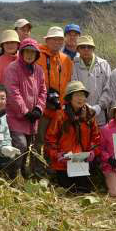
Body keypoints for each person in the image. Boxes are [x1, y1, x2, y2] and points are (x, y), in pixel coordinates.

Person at [45, 81, 100, 193]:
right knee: (68, 191)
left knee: (84, 190)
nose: (81, 98)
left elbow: (96, 138)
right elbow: (50, 140)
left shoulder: (90, 116)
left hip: (82, 163)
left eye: (83, 95)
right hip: (63, 164)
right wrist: (58, 155)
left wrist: (93, 152)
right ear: (70, 98)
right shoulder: (60, 116)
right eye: (77, 95)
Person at [4, 38, 47, 178]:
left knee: (28, 148)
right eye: (27, 51)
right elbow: (12, 92)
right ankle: (12, 174)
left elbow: (43, 91)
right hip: (16, 117)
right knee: (20, 145)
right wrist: (25, 111)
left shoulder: (39, 71)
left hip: (32, 118)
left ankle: (22, 171)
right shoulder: (13, 68)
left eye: (33, 52)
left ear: (37, 55)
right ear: (21, 52)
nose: (29, 55)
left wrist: (39, 109)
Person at [35, 26, 73, 176]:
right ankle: (37, 171)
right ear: (47, 40)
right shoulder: (37, 55)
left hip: (59, 109)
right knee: (38, 142)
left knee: (54, 142)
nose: (57, 42)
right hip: (42, 107)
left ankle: (52, 170)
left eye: (60, 39)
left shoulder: (66, 60)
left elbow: (68, 82)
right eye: (54, 39)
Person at [71, 35, 112, 127]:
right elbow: (73, 88)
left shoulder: (104, 64)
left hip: (100, 115)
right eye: (82, 47)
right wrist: (83, 106)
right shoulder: (73, 64)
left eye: (89, 47)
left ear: (93, 48)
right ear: (78, 49)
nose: (86, 49)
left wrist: (98, 107)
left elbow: (109, 89)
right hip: (79, 114)